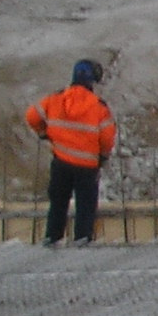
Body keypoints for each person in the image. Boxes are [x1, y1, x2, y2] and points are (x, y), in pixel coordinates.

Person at [25, 59, 117, 245]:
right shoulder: (99, 107)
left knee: (58, 202)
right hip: (87, 166)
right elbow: (107, 137)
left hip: (61, 162)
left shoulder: (56, 99)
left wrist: (44, 134)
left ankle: (52, 237)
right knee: (85, 205)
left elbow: (32, 116)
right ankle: (82, 238)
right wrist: (103, 156)